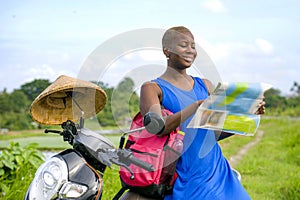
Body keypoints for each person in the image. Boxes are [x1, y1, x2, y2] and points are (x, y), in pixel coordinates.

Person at [137, 26, 265, 199]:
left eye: (193, 46)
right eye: (183, 45)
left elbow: (212, 134)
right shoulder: (152, 88)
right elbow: (157, 127)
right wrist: (196, 106)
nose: (190, 50)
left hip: (217, 170)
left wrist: (248, 115)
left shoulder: (205, 85)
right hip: (183, 175)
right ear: (167, 51)